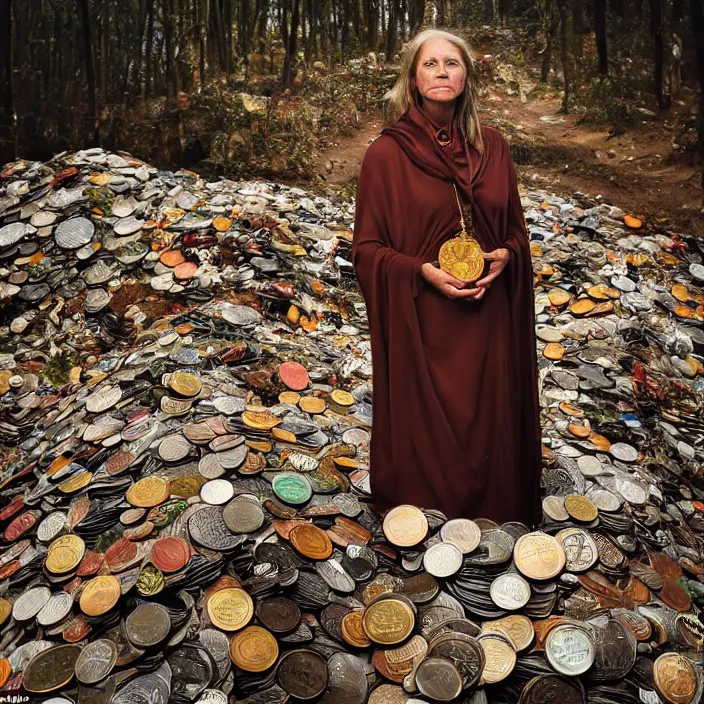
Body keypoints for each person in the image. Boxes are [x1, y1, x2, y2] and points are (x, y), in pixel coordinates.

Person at [352, 29, 542, 527]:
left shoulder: (494, 149)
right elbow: (367, 250)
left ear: (466, 76)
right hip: (425, 317)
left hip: (489, 312)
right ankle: (426, 520)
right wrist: (420, 272)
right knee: (434, 439)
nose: (441, 72)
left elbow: (518, 234)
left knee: (489, 423)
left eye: (452, 63)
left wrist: (506, 256)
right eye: (430, 64)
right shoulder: (385, 156)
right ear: (413, 79)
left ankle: (499, 515)